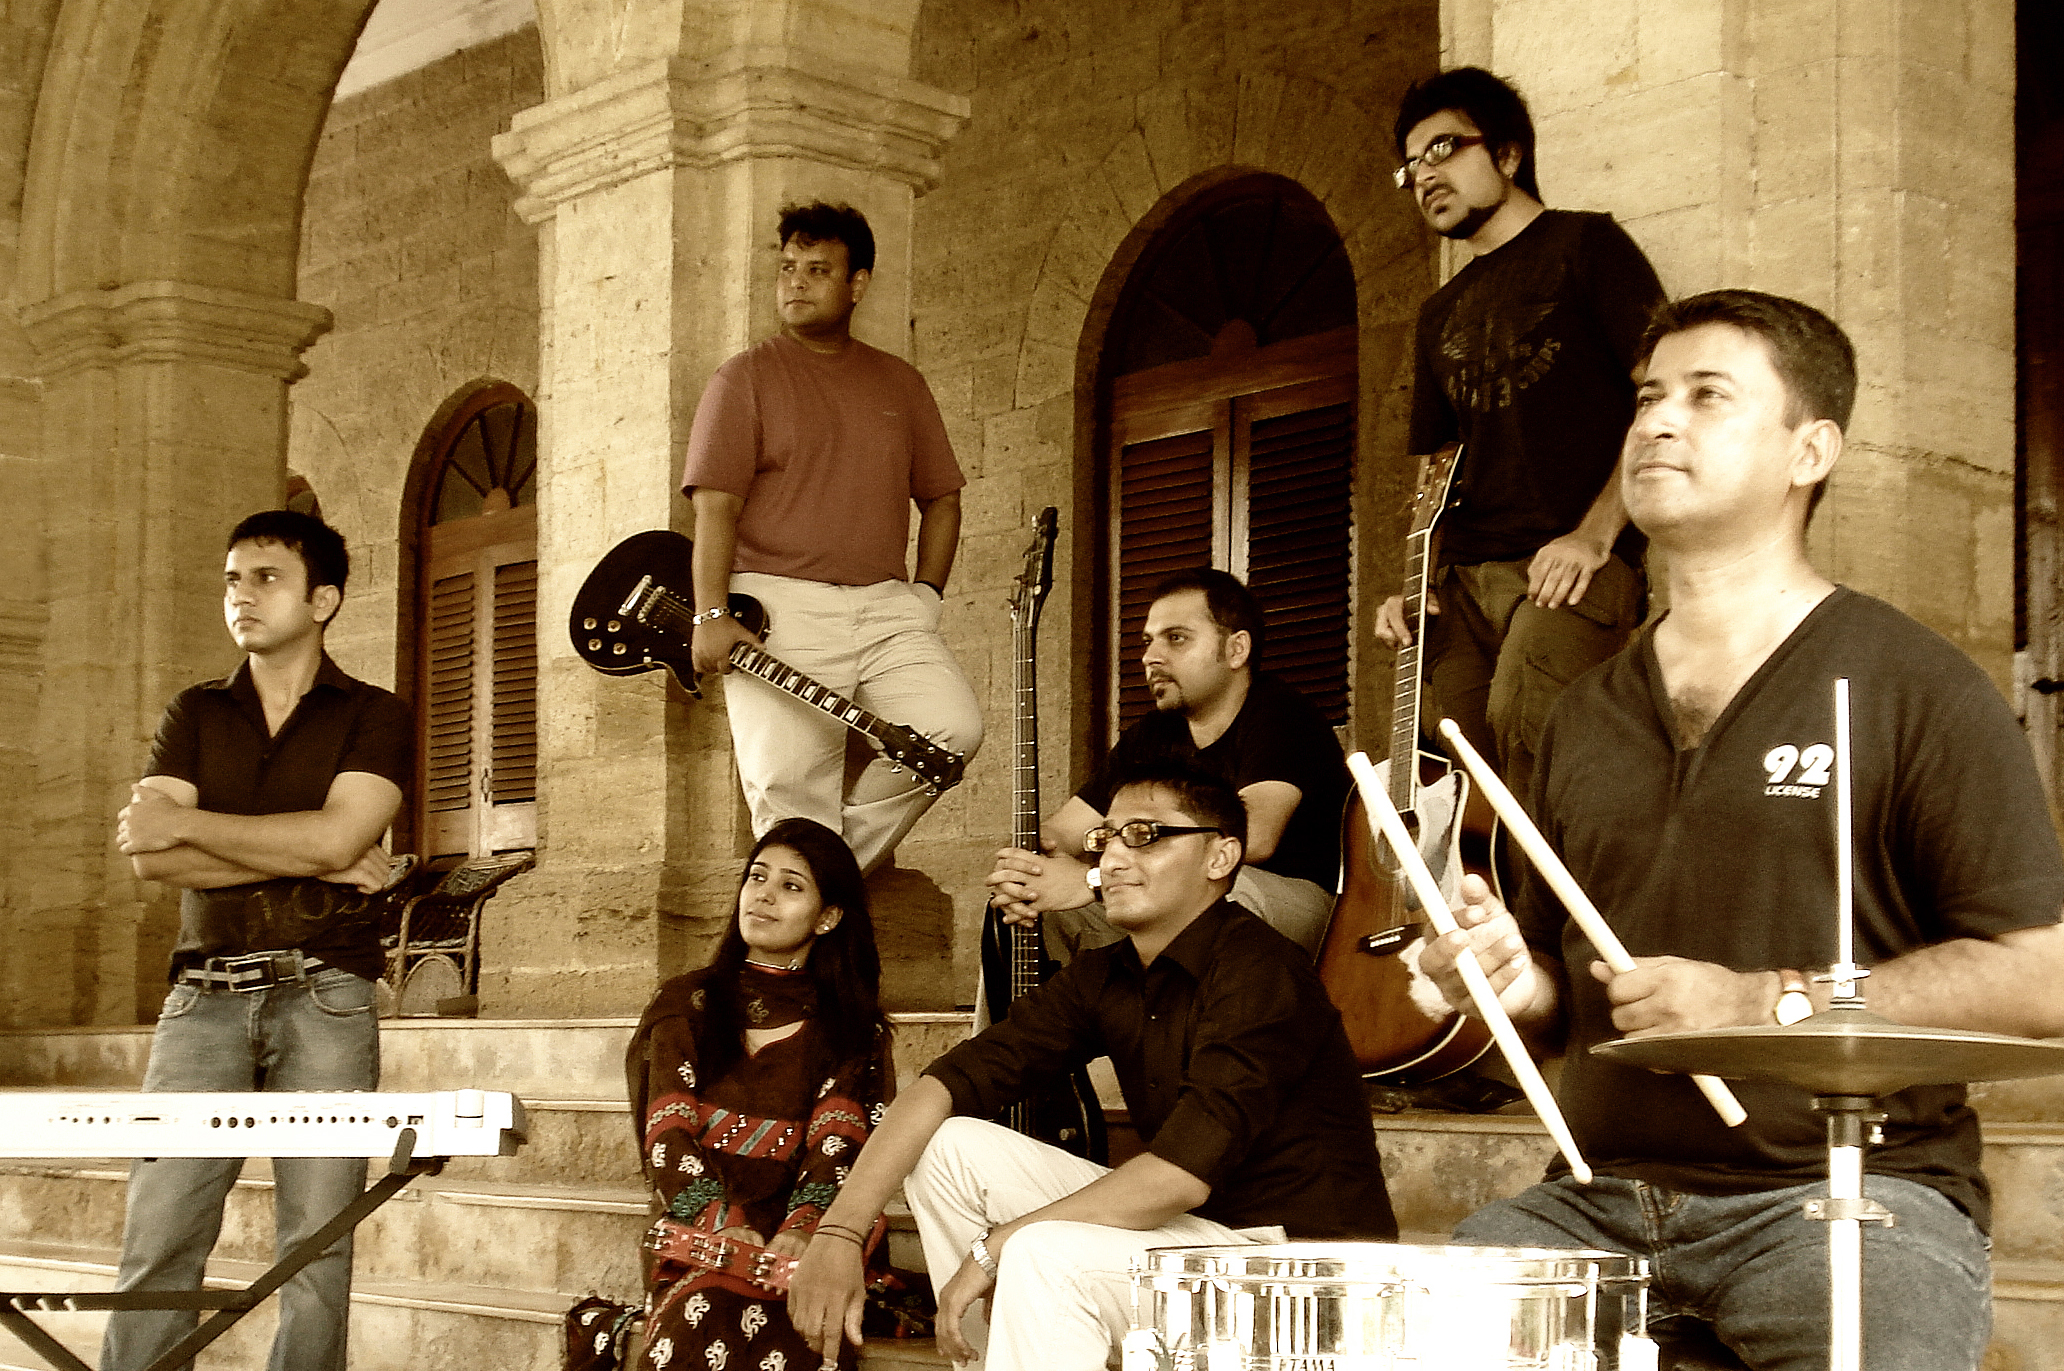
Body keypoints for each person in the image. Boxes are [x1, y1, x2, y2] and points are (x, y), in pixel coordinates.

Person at [1420, 290, 2064, 1370]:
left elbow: (2042, 977)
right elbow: (1556, 991)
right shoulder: (1583, 711)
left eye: (1708, 397)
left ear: (1811, 448)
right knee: (1399, 1336)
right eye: (1648, 397)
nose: (1657, 422)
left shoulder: (1916, 687)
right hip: (1597, 1203)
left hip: (1853, 1193)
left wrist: (1764, 1002)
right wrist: (1502, 977)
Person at [789, 762, 1397, 1371]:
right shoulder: (1107, 976)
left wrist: (995, 1245)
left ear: (1220, 858)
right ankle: (986, 1356)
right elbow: (941, 1084)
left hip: (1311, 1272)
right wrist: (840, 1232)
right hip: (1200, 1236)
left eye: (1147, 835)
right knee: (944, 1146)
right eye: (1105, 838)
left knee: (1040, 1252)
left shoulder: (1261, 972)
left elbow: (1177, 1179)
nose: (1112, 859)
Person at [105, 510, 412, 1371]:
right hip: (201, 997)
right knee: (158, 1239)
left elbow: (331, 840)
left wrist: (195, 825)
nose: (242, 594)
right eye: (233, 578)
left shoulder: (376, 715)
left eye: (265, 577)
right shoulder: (195, 712)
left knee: (316, 1249)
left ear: (324, 599)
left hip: (327, 993)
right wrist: (319, 852)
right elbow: (148, 859)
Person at [1373, 67, 1663, 807]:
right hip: (1465, 578)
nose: (1425, 175)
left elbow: (1660, 398)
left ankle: (1554, 925)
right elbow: (1438, 467)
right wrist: (1416, 583)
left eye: (1443, 148)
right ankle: (1490, 917)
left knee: (1529, 728)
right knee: (1465, 763)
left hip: (1565, 563)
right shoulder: (1439, 314)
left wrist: (1596, 537)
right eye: (1412, 166)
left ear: (1505, 154)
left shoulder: (1586, 245)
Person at [682, 200, 983, 873]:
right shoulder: (744, 378)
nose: (795, 282)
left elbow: (942, 498)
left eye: (818, 270)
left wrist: (927, 595)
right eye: (788, 267)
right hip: (776, 607)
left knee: (951, 730)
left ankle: (818, 876)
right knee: (791, 796)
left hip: (886, 606)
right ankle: (812, 894)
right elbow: (716, 509)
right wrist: (709, 613)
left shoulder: (900, 383)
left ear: (858, 284)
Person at [570, 818, 895, 1371]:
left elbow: (840, 1141)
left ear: (829, 916)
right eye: (756, 877)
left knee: (806, 1319)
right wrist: (722, 1221)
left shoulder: (851, 1029)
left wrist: (803, 1230)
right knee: (707, 1306)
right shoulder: (685, 1003)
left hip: (812, 1230)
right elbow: (667, 1134)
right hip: (700, 1224)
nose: (763, 896)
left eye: (791, 886)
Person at [986, 569, 1348, 960]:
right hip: (1170, 887)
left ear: (1236, 649)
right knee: (1025, 909)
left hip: (1295, 904)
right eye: (1147, 642)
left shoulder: (1282, 715)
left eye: (1176, 638)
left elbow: (1252, 839)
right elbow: (1062, 831)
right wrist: (1029, 868)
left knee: (1215, 887)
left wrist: (1092, 879)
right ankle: (1021, 1023)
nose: (1150, 657)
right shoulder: (1150, 734)